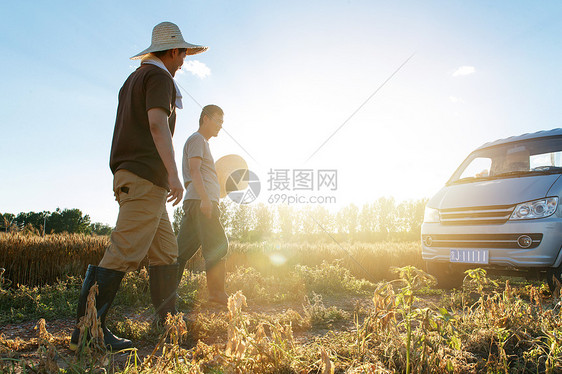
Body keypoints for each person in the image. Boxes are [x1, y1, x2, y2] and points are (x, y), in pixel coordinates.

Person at [69, 21, 208, 351]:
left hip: (145, 181)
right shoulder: (159, 77)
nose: (185, 61)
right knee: (123, 252)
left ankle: (168, 324)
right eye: (184, 54)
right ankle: (87, 333)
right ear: (173, 51)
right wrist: (175, 176)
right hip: (145, 178)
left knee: (165, 252)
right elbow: (157, 125)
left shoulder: (135, 79)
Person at [177, 105, 229, 306]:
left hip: (196, 201)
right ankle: (216, 294)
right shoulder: (197, 139)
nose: (220, 126)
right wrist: (206, 200)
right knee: (218, 245)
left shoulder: (201, 142)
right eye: (218, 121)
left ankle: (167, 293)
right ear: (205, 119)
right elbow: (194, 170)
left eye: (222, 123)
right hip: (201, 202)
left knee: (180, 252)